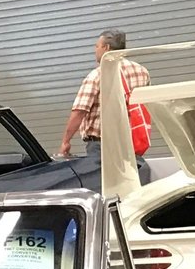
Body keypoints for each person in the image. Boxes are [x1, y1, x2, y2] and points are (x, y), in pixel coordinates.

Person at [58, 28, 150, 184]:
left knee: (106, 188)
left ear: (106, 48)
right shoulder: (141, 72)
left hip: (101, 146)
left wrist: (66, 141)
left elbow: (79, 111)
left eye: (97, 46)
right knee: (132, 187)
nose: (95, 50)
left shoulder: (97, 75)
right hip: (129, 143)